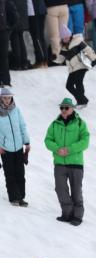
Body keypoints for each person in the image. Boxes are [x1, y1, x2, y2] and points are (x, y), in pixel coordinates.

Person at [44, 97, 90, 226]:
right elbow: (48, 140)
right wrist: (57, 149)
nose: (63, 110)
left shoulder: (80, 123)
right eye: (61, 107)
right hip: (59, 163)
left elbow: (85, 141)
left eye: (66, 108)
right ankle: (67, 213)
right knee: (60, 189)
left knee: (76, 190)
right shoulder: (54, 124)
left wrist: (69, 150)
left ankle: (77, 216)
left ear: (72, 109)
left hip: (76, 163)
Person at [0, 88, 31, 206]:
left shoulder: (16, 110)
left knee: (20, 173)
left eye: (9, 97)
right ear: (1, 98)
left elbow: (22, 126)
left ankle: (21, 197)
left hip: (19, 147)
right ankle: (14, 198)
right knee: (10, 174)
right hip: (5, 149)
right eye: (5, 97)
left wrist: (26, 142)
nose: (7, 100)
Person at [56, 25, 96, 108]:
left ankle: (82, 102)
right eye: (64, 38)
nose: (66, 39)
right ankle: (82, 100)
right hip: (72, 68)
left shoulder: (77, 41)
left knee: (78, 82)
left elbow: (88, 50)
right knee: (69, 86)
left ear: (70, 35)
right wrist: (53, 59)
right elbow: (60, 59)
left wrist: (94, 59)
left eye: (67, 36)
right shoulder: (63, 48)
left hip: (81, 65)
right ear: (62, 39)